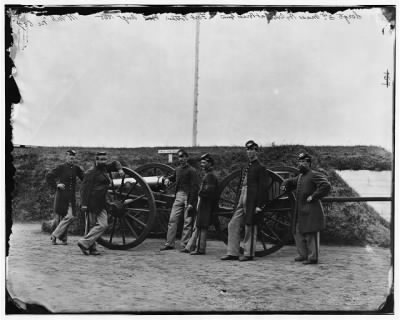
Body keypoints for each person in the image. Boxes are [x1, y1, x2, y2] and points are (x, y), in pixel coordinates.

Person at [221, 140, 268, 262]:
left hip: (252, 198)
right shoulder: (246, 167)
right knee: (232, 224)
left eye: (251, 149)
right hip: (243, 196)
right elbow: (241, 186)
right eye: (247, 149)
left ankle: (249, 253)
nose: (249, 152)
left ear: (256, 151)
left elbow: (263, 188)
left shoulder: (260, 168)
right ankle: (233, 252)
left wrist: (259, 205)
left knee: (250, 225)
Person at [280, 152, 331, 265]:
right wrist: (285, 183)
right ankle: (303, 255)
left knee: (311, 234)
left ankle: (313, 257)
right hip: (300, 211)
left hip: (311, 209)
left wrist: (313, 196)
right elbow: (291, 181)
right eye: (300, 162)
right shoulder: (300, 177)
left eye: (304, 162)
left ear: (309, 163)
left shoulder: (313, 175)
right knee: (298, 232)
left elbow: (326, 185)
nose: (301, 164)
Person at [77, 152, 124, 255]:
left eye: (105, 159)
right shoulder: (91, 173)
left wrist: (120, 169)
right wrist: (84, 204)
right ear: (96, 160)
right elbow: (84, 190)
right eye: (101, 159)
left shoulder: (104, 169)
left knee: (103, 225)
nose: (104, 161)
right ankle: (91, 249)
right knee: (91, 226)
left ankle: (84, 242)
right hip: (91, 203)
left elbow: (115, 163)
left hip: (102, 202)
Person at [160, 149, 200, 251]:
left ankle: (185, 244)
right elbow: (173, 177)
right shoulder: (178, 169)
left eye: (182, 156)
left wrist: (191, 202)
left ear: (187, 157)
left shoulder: (192, 171)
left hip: (188, 196)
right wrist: (167, 179)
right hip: (178, 196)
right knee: (172, 219)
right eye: (179, 157)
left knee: (187, 221)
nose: (181, 159)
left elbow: (195, 187)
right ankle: (169, 243)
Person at [46, 149, 84, 245]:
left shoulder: (76, 168)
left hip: (71, 197)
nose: (71, 159)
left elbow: (85, 178)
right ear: (66, 157)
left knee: (70, 216)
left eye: (73, 157)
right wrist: (56, 185)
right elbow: (49, 176)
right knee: (60, 217)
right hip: (61, 196)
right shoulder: (61, 167)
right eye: (70, 157)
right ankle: (63, 239)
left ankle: (55, 235)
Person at [184, 153, 219, 255]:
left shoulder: (210, 176)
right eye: (201, 163)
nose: (202, 165)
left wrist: (199, 192)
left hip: (206, 204)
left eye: (204, 163)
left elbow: (209, 191)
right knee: (201, 226)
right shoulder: (208, 175)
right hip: (204, 203)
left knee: (202, 225)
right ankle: (199, 248)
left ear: (210, 164)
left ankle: (200, 249)